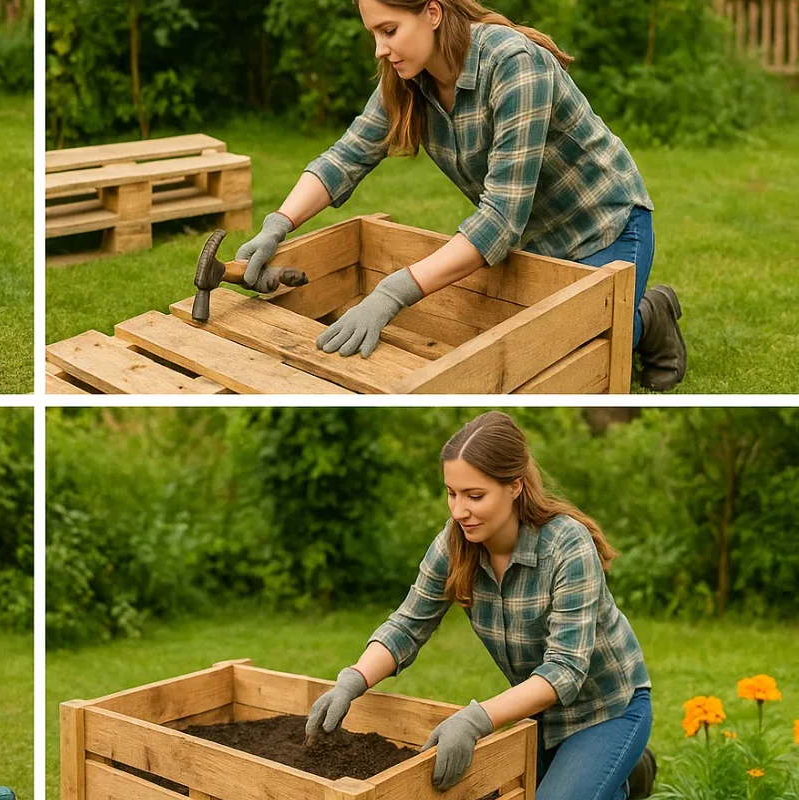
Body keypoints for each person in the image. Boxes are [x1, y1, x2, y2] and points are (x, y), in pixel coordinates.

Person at [237, 0, 686, 392]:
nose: (379, 48)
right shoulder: (408, 79)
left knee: (566, 357)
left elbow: (500, 219)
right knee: (514, 352)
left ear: (433, 12)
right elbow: (347, 156)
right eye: (373, 33)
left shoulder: (514, 65)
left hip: (605, 229)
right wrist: (277, 225)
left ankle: (650, 317)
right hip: (533, 244)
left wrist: (392, 292)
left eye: (389, 30)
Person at [305, 411, 655, 799]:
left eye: (475, 496)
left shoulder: (565, 545)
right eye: (451, 493)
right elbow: (407, 625)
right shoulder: (455, 543)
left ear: (515, 486)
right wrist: (354, 678)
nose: (458, 511)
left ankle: (625, 765)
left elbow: (564, 670)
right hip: (536, 713)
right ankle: (615, 775)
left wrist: (475, 719)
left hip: (607, 709)